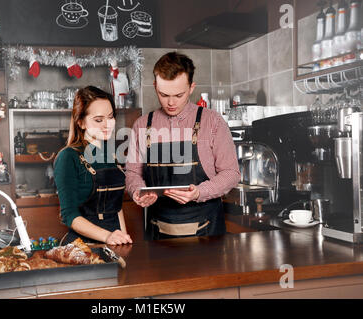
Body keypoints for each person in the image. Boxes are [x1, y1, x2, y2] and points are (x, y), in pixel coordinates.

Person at [125, 52, 240, 240]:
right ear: (155, 86)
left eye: (179, 95)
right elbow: (132, 173)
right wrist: (138, 190)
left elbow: (231, 173)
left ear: (191, 87)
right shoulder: (142, 125)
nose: (171, 102)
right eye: (163, 94)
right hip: (157, 230)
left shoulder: (212, 121)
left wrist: (200, 192)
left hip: (207, 231)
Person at [54, 86, 133, 245]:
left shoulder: (110, 154)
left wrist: (124, 240)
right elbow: (70, 216)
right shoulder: (68, 157)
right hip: (83, 246)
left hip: (115, 243)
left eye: (110, 117)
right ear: (81, 122)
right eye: (98, 120)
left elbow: (117, 208)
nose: (107, 125)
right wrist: (107, 237)